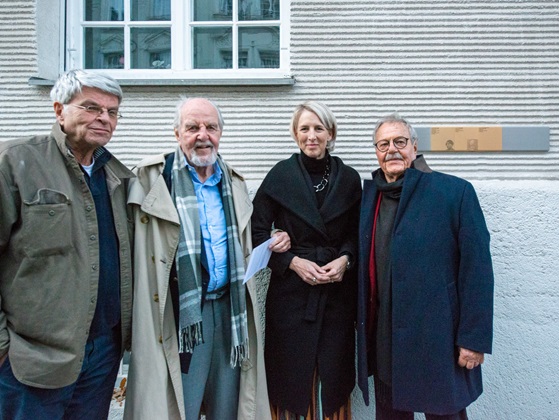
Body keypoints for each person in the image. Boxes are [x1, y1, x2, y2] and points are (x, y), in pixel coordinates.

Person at [125, 97, 275, 420]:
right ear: (177, 133)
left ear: (221, 133)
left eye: (211, 127)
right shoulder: (153, 181)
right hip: (181, 316)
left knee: (228, 408)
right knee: (180, 407)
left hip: (229, 312)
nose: (202, 135)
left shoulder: (234, 183)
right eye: (192, 127)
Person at [0, 69, 133, 419]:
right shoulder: (16, 163)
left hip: (102, 354)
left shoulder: (119, 178)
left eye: (112, 111)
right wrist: (3, 349)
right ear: (59, 110)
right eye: (91, 107)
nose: (103, 118)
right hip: (31, 358)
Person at [356, 113, 494, 419]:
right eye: (383, 144)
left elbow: (478, 270)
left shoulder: (454, 192)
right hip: (387, 339)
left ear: (414, 146)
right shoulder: (369, 198)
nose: (391, 149)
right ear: (376, 152)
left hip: (439, 338)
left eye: (399, 141)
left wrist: (473, 339)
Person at [251, 101, 362, 419]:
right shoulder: (280, 175)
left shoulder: (350, 180)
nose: (311, 136)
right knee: (290, 379)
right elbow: (256, 231)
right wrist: (290, 261)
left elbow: (358, 233)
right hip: (291, 297)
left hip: (336, 295)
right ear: (295, 134)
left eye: (318, 128)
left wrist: (345, 260)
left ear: (331, 133)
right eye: (304, 129)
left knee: (335, 377)